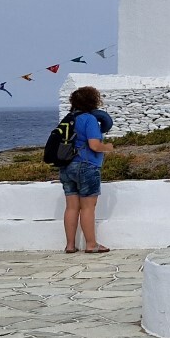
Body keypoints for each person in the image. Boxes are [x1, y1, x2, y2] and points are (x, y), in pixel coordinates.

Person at [61, 86, 116, 254]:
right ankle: (91, 245)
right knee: (87, 207)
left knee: (71, 207)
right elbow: (94, 145)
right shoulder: (89, 119)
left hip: (66, 166)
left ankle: (70, 245)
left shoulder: (68, 118)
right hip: (86, 166)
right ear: (93, 101)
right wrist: (108, 147)